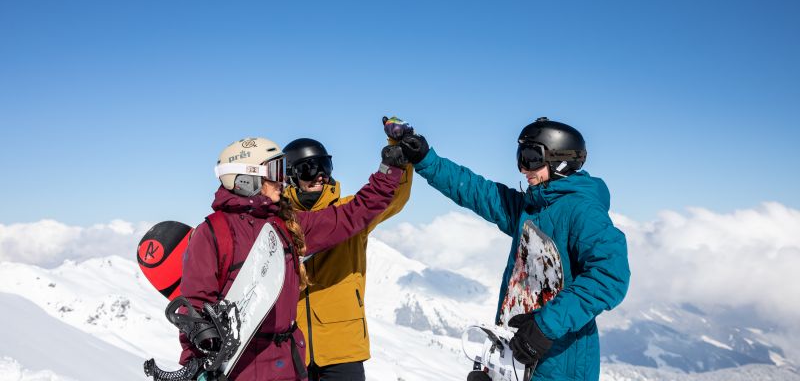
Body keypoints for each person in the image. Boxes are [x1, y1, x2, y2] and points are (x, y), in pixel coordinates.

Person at [398, 117, 630, 380]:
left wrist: (544, 327)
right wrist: (426, 159)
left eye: (531, 157)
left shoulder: (583, 211)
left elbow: (611, 276)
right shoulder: (530, 208)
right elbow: (477, 191)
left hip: (559, 364)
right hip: (517, 357)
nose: (522, 168)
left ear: (561, 160)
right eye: (520, 156)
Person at [179, 135, 408, 381]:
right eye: (276, 171)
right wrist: (197, 362)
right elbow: (195, 305)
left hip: (289, 364)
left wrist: (390, 169)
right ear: (247, 178)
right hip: (243, 367)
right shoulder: (214, 232)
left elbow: (354, 213)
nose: (283, 180)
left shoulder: (287, 224)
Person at [283, 117, 414, 381]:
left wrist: (399, 153)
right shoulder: (280, 222)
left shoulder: (351, 212)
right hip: (292, 349)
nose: (320, 175)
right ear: (291, 175)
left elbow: (393, 199)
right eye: (310, 168)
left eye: (325, 166)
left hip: (343, 349)